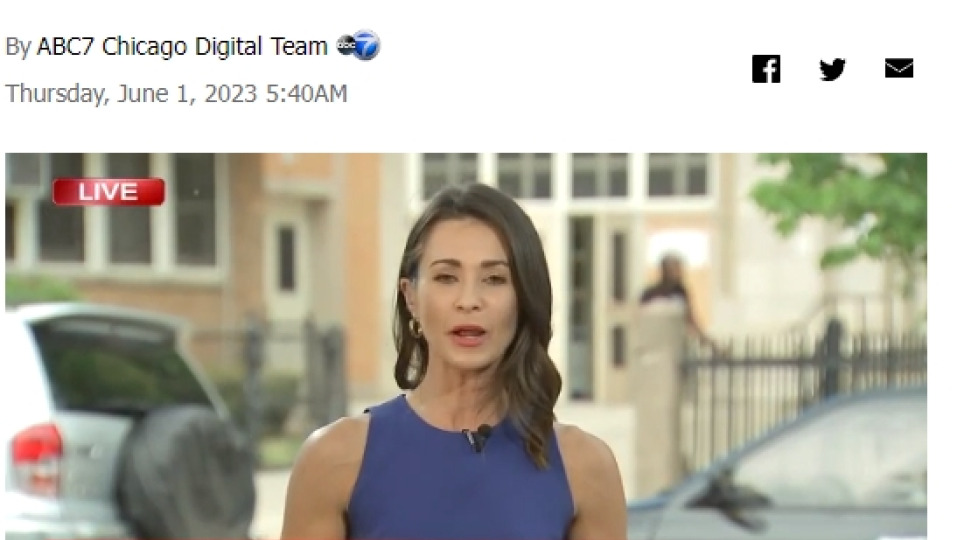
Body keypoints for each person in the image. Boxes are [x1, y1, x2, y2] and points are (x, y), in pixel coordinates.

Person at [280, 183, 627, 540]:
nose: (469, 300)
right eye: (446, 277)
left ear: (524, 298)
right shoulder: (335, 460)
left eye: (494, 279)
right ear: (411, 297)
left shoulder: (585, 468)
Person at [640, 252, 720, 353]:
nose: (680, 272)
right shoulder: (651, 293)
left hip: (676, 344)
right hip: (655, 344)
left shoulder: (681, 292)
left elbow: (690, 319)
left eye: (679, 268)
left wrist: (706, 340)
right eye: (675, 268)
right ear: (665, 270)